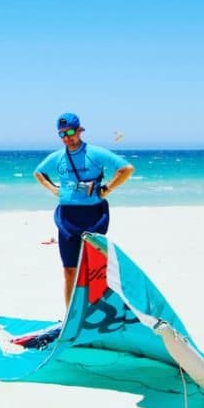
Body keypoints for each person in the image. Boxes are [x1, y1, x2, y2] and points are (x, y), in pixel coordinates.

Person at [34, 113, 134, 307]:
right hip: (67, 219)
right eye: (62, 134)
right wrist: (53, 189)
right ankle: (70, 314)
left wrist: (108, 189)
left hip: (93, 216)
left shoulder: (94, 153)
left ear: (79, 130)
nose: (67, 137)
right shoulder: (58, 157)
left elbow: (126, 169)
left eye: (70, 132)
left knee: (95, 268)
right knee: (69, 270)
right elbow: (38, 172)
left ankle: (97, 310)